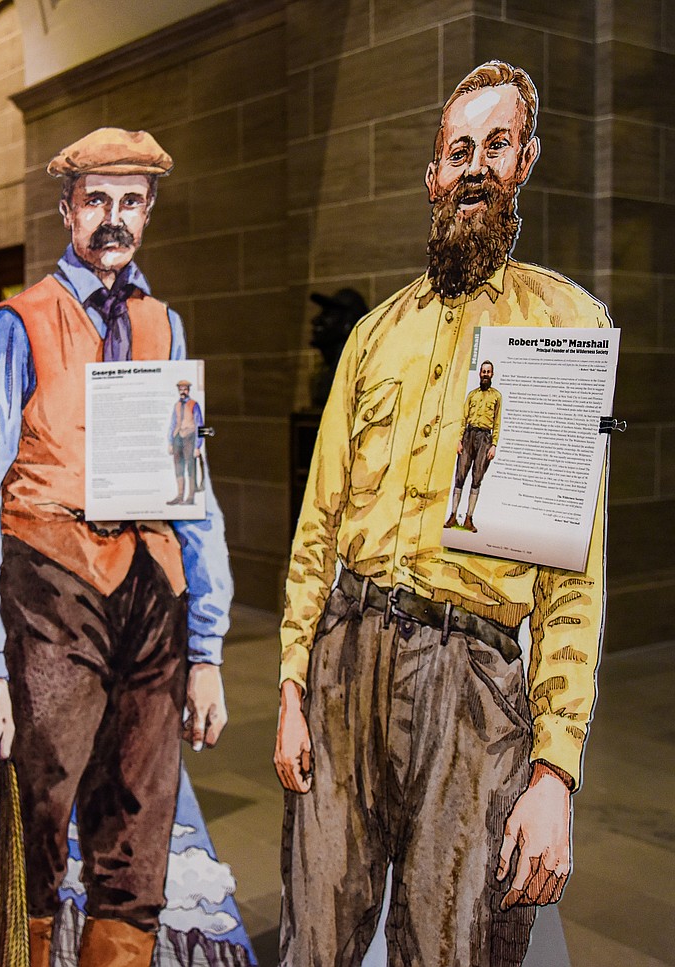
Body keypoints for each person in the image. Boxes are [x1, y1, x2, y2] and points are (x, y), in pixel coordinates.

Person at [274, 61, 610, 966]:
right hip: (347, 661)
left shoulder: (563, 329)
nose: (473, 167)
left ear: (525, 162)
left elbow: (576, 581)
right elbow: (318, 523)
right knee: (314, 939)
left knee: (455, 948)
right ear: (431, 177)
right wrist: (294, 686)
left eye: (494, 147)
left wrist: (555, 770)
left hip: (475, 687)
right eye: (458, 150)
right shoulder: (374, 334)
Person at [0, 128, 232, 967]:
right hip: (50, 589)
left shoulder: (162, 325)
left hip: (152, 597)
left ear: (149, 214)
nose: (113, 218)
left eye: (131, 201)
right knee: (36, 821)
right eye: (97, 199)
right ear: (67, 208)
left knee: (137, 826)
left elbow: (191, 489)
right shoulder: (19, 324)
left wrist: (205, 646)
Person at [445, 358, 502, 532]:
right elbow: (463, 419)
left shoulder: (497, 396)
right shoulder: (472, 395)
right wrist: (459, 440)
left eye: (488, 372)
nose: (485, 374)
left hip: (485, 438)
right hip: (469, 435)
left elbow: (497, 422)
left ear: (492, 374)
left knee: (477, 478)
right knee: (460, 474)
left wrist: (494, 445)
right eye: (483, 371)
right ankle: (453, 515)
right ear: (480, 374)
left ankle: (469, 518)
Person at [167, 379, 203, 505]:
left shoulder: (194, 404)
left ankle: (191, 497)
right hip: (177, 437)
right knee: (178, 466)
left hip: (190, 437)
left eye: (185, 389)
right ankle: (180, 496)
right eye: (181, 389)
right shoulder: (176, 405)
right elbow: (172, 424)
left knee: (191, 467)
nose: (183, 392)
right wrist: (170, 442)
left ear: (188, 390)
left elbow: (200, 425)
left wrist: (198, 446)